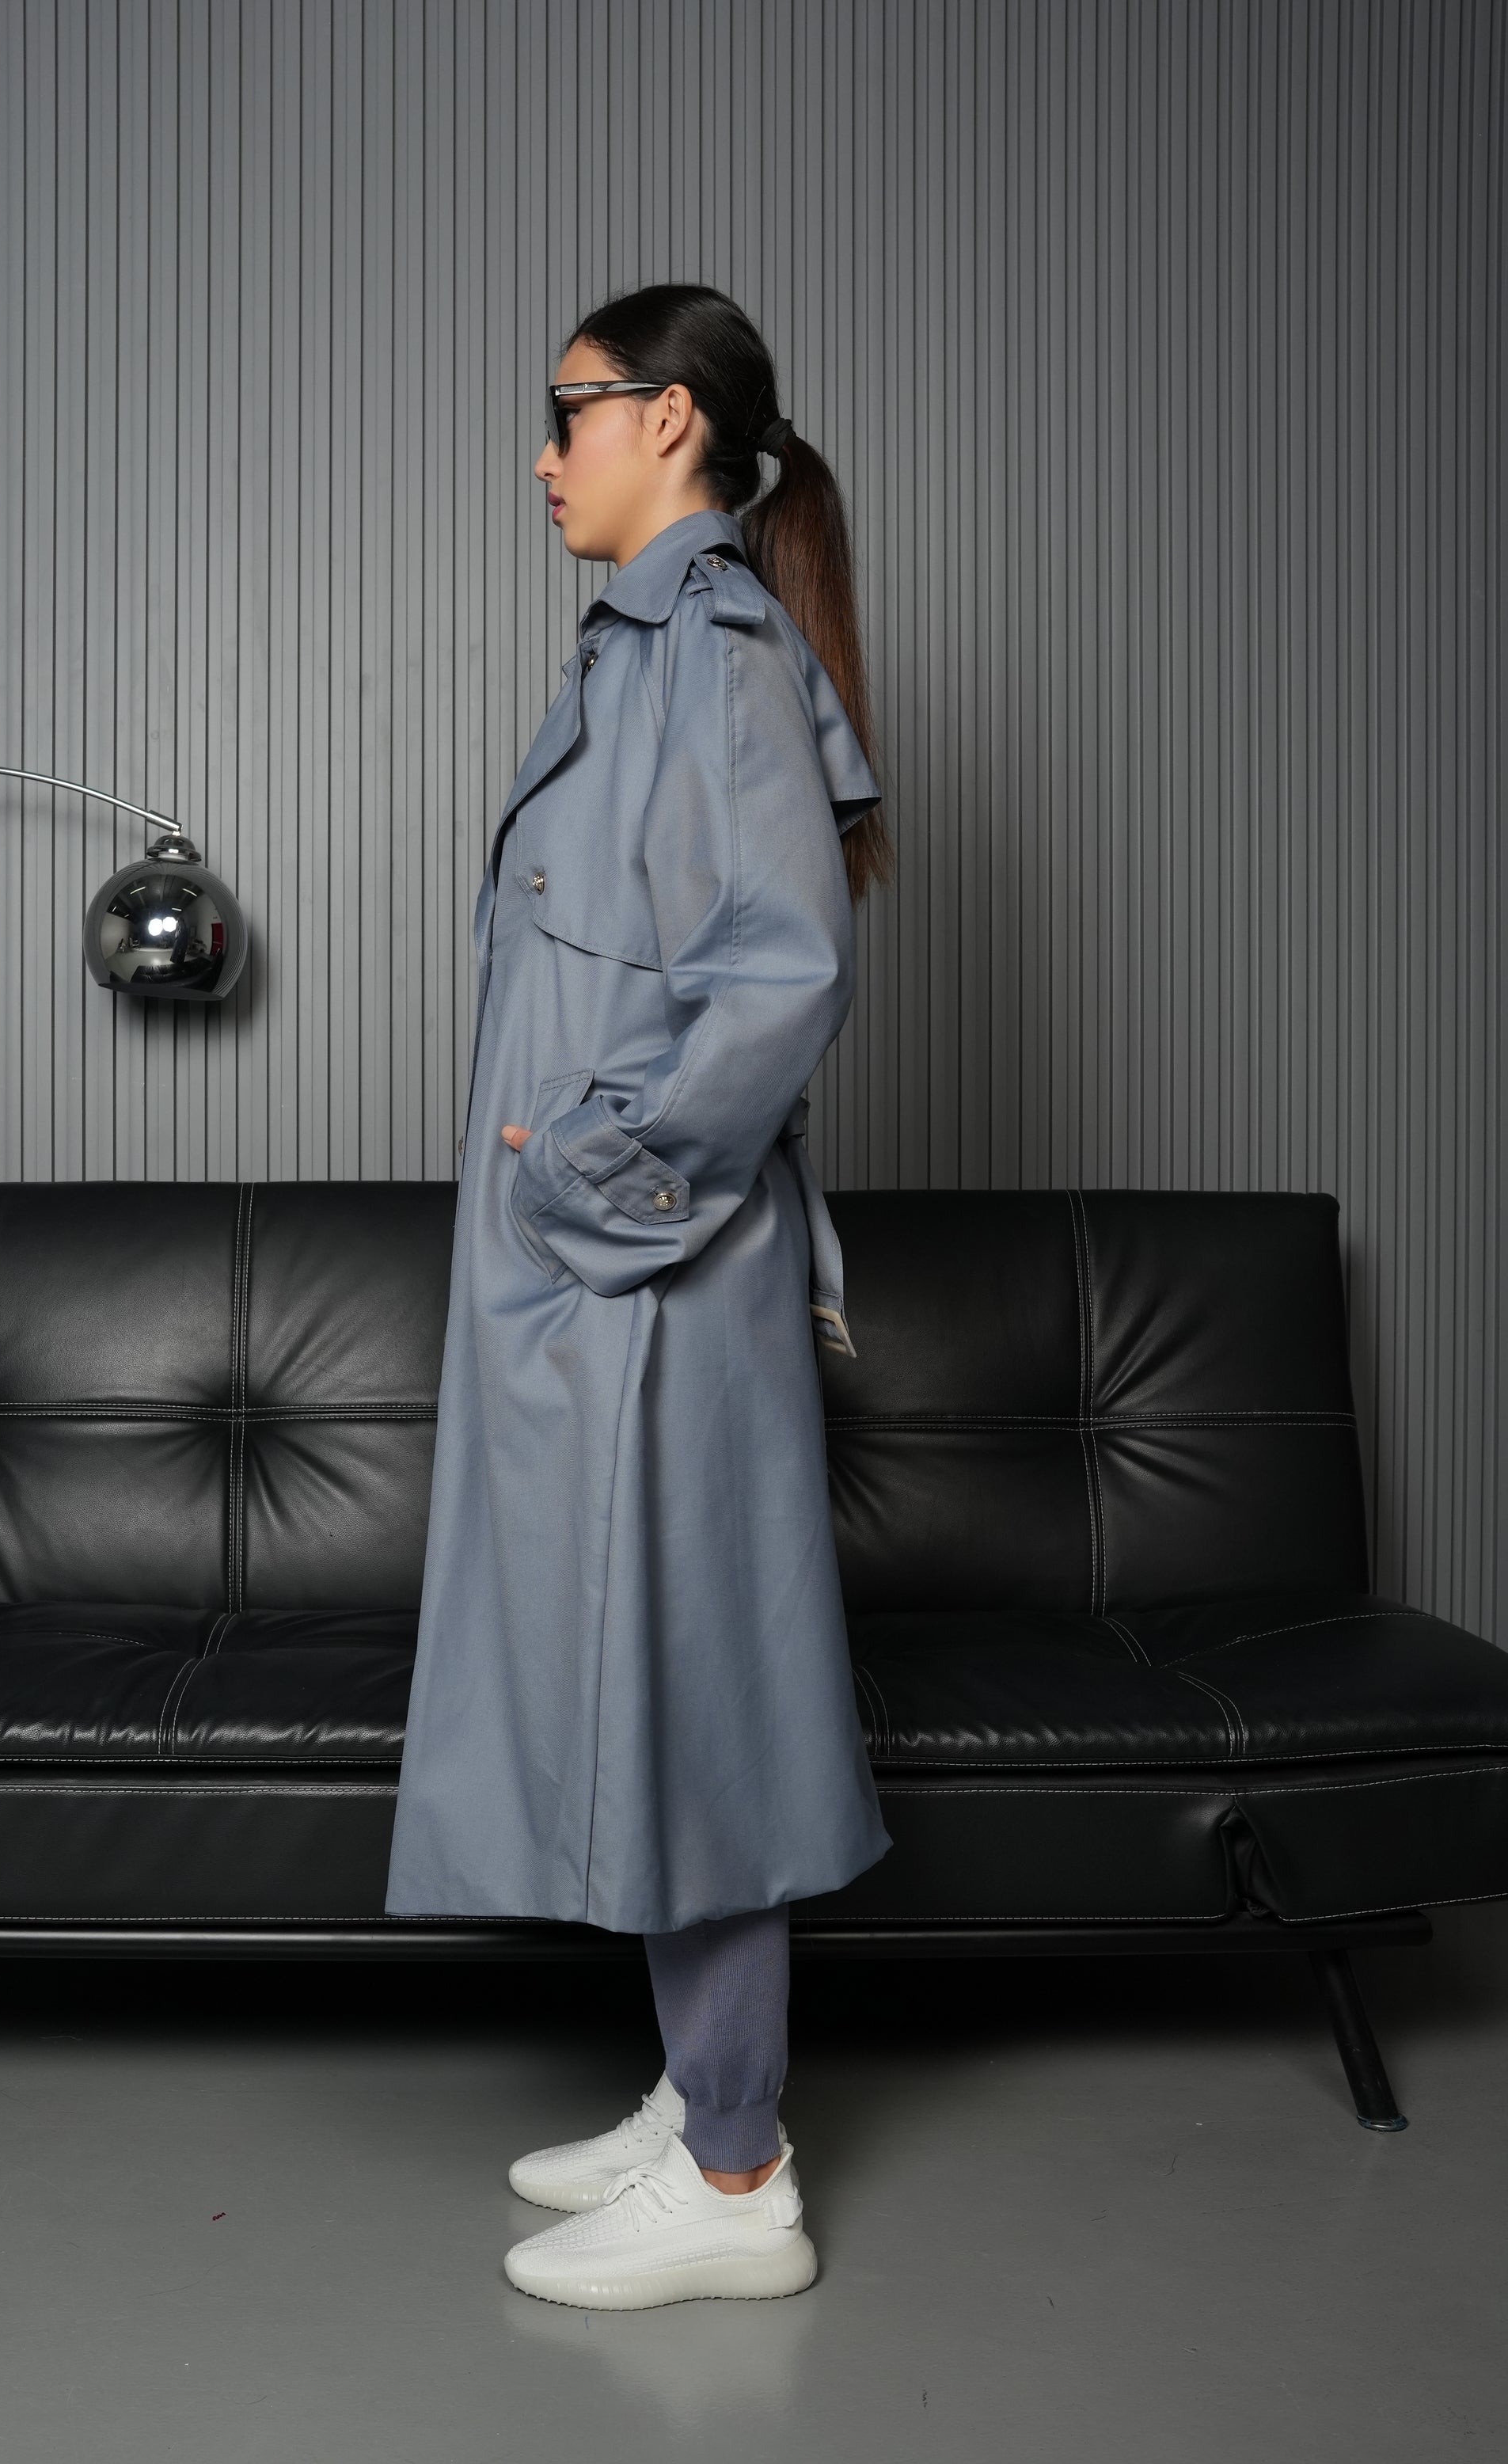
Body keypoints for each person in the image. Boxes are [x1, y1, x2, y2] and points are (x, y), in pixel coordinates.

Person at [384, 282, 894, 2310]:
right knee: (645, 1673)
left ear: (669, 419)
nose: (542, 454)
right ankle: (702, 2093)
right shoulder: (644, 643)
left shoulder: (714, 650)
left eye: (567, 411)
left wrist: (590, 1172)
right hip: (605, 1275)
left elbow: (780, 969)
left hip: (652, 1269)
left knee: (693, 1688)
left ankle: (740, 2171)